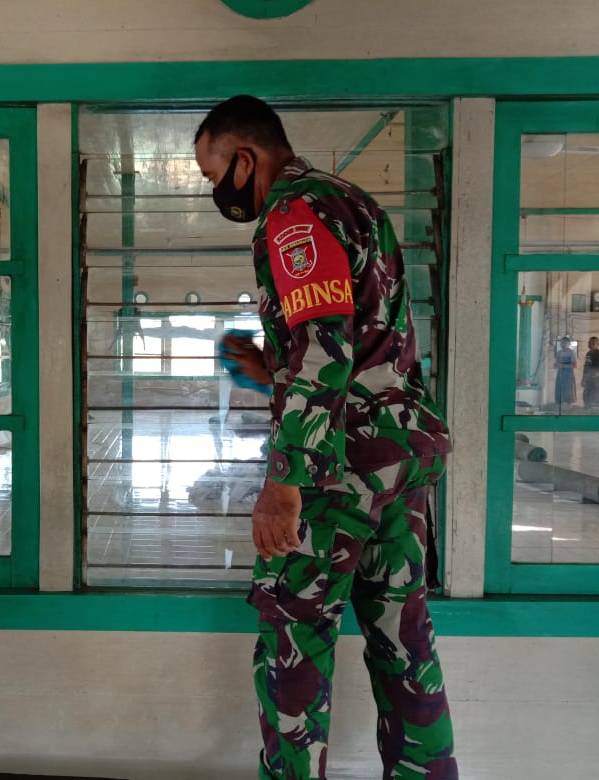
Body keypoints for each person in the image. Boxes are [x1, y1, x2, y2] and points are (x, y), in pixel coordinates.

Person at [195, 95, 457, 779]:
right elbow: (362, 342)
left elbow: (325, 346)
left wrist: (284, 482)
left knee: (294, 655)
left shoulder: (293, 213)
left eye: (214, 171)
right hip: (398, 463)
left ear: (246, 157)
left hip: (334, 480)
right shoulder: (354, 201)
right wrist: (268, 369)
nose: (215, 188)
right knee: (405, 648)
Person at [581, 336, 599, 410]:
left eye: (593, 343)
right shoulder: (588, 354)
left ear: (598, 344)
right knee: (586, 396)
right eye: (590, 343)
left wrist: (597, 373)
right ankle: (587, 410)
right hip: (588, 380)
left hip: (597, 381)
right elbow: (586, 366)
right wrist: (583, 379)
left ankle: (595, 413)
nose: (591, 344)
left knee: (596, 397)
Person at [554, 336, 577, 407]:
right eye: (561, 343)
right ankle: (560, 405)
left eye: (564, 343)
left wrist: (563, 366)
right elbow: (555, 365)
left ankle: (568, 406)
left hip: (568, 375)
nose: (562, 345)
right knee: (559, 389)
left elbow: (575, 365)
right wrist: (555, 365)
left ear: (569, 344)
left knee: (568, 390)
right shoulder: (559, 353)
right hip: (560, 374)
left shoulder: (571, 352)